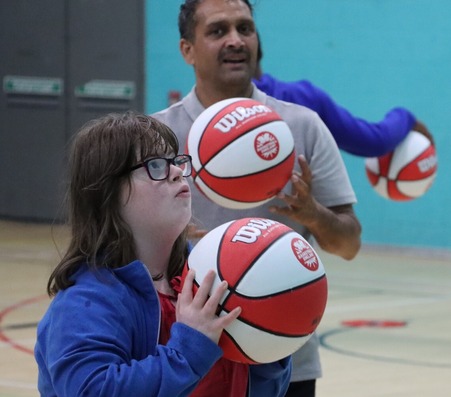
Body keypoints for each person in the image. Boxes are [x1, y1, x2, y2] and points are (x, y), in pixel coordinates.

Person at [152, 1, 362, 396]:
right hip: (187, 358)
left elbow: (349, 244)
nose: (236, 40)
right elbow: (121, 246)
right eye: (217, 31)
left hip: (283, 357)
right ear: (187, 50)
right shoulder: (157, 134)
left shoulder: (302, 125)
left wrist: (313, 214)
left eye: (245, 28)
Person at [34, 111, 291, 397]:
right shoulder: (86, 302)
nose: (178, 171)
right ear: (107, 192)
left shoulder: (213, 278)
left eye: (176, 161)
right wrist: (189, 351)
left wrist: (268, 347)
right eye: (155, 165)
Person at [253, 37, 433, 157]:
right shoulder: (304, 97)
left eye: (243, 29)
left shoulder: (303, 98)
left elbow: (373, 141)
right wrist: (405, 118)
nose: (234, 42)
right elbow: (374, 141)